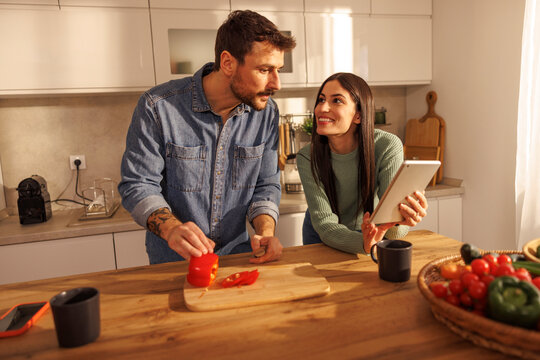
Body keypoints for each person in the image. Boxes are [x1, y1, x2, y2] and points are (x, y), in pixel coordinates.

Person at [118, 10, 296, 264]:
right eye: (265, 69)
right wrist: (171, 229)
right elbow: (137, 184)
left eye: (277, 69)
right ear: (227, 63)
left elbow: (266, 184)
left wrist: (265, 232)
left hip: (240, 256)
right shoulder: (158, 107)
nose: (276, 83)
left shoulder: (266, 113)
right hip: (174, 261)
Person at [297, 72, 428, 254]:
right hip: (321, 236)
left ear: (358, 115)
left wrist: (402, 219)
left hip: (371, 232)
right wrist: (364, 244)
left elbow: (395, 232)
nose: (321, 108)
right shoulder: (307, 156)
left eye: (336, 101)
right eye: (321, 99)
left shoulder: (387, 146)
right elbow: (325, 224)